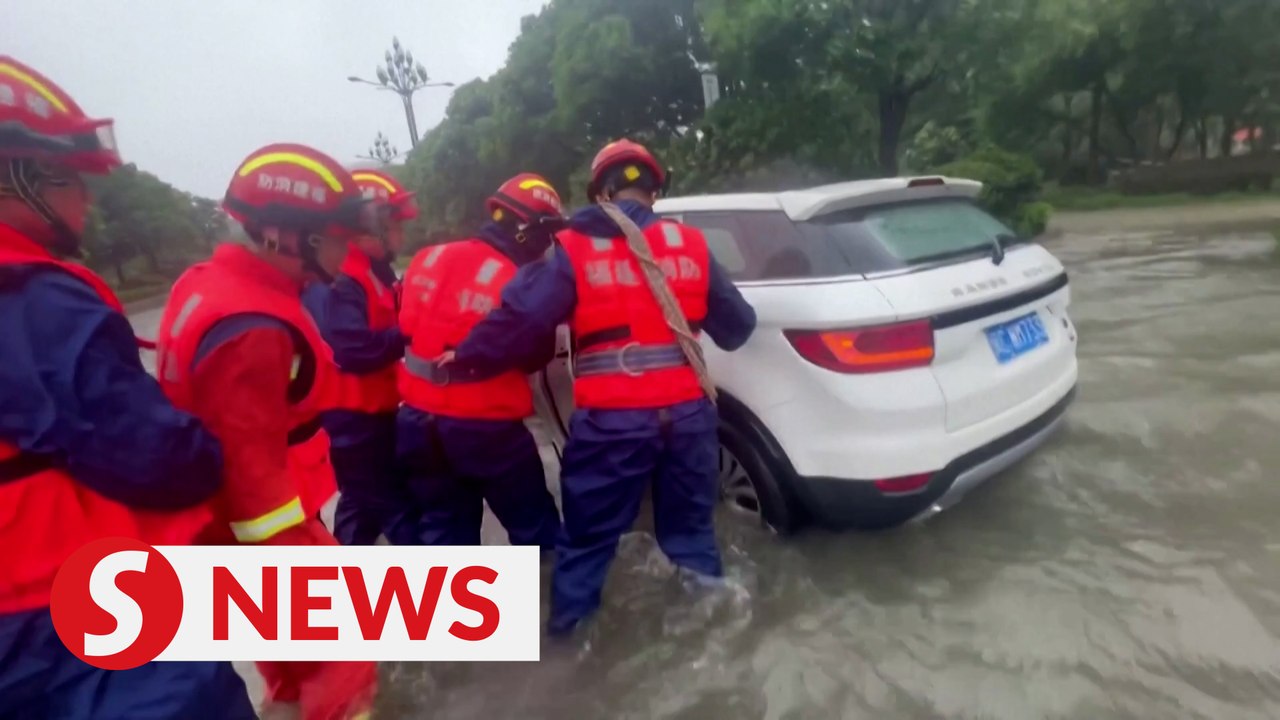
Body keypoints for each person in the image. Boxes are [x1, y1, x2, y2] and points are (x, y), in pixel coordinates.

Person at [0, 56, 255, 719]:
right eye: (73, 180)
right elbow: (152, 453)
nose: (86, 199)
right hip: (71, 614)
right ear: (18, 176)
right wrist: (208, 451)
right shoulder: (34, 301)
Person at [440, 141, 757, 634]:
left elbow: (521, 316)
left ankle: (570, 652)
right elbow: (738, 328)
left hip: (615, 419)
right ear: (654, 188)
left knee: (588, 541)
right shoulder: (692, 245)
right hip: (690, 418)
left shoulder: (575, 246)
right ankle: (712, 628)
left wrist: (468, 353)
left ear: (602, 192)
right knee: (693, 535)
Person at [154, 143, 377, 720]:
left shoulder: (207, 283)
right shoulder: (254, 327)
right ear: (285, 235)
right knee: (342, 666)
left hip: (229, 528)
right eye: (332, 234)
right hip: (266, 530)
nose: (343, 246)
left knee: (289, 674)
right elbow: (251, 477)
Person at [396, 173, 565, 549]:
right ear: (532, 232)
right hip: (486, 428)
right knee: (537, 535)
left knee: (444, 536)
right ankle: (557, 607)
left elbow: (406, 328)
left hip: (417, 423)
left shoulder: (427, 257)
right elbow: (536, 354)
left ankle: (452, 606)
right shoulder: (519, 279)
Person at [302, 169, 414, 545]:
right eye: (396, 224)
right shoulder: (343, 277)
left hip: (371, 412)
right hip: (351, 420)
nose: (402, 234)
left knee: (360, 507)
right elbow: (351, 349)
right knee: (397, 509)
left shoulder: (373, 273)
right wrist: (412, 331)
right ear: (374, 227)